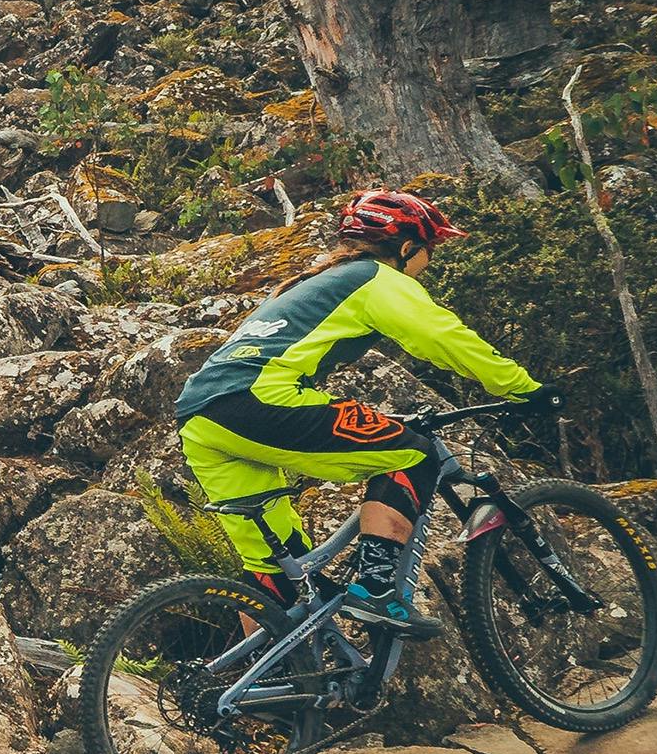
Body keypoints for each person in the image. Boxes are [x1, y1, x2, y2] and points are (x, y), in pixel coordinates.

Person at [172, 190, 542, 638]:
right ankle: (374, 589)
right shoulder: (376, 279)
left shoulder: (305, 286)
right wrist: (525, 389)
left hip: (201, 416)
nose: (430, 262)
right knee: (414, 455)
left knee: (277, 563)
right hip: (260, 400)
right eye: (430, 250)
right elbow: (444, 337)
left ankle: (262, 683)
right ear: (407, 247)